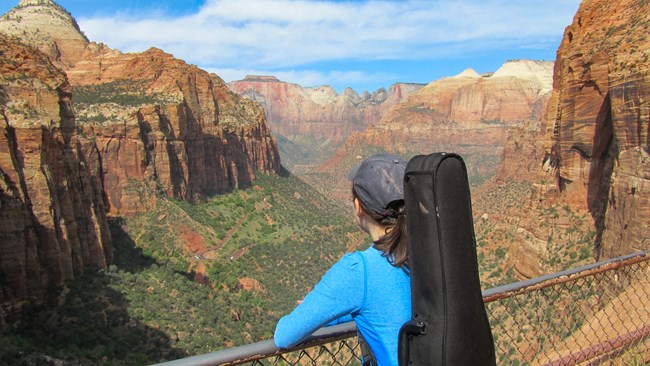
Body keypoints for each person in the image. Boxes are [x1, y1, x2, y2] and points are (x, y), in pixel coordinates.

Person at [274, 153, 411, 366]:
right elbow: (392, 308)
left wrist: (313, 310)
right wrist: (333, 311)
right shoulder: (427, 252)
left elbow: (284, 336)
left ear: (358, 207)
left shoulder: (359, 270)